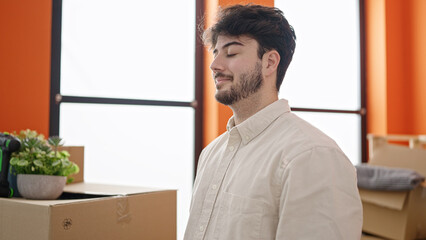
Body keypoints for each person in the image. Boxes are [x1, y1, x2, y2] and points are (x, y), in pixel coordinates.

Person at [184, 4, 363, 240]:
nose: (214, 65)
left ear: (269, 62)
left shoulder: (312, 156)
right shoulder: (211, 154)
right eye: (215, 53)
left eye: (231, 53)